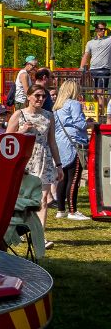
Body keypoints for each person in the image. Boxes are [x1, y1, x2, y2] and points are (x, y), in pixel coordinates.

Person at [6, 83, 62, 249]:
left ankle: (40, 237)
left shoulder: (48, 116)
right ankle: (17, 231)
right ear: (29, 97)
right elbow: (6, 138)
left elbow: (52, 142)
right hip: (24, 159)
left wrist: (59, 165)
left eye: (43, 96)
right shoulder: (19, 114)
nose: (40, 99)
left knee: (43, 200)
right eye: (37, 95)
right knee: (22, 198)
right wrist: (21, 131)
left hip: (44, 159)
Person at [52, 80, 90, 221]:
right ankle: (73, 211)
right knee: (74, 178)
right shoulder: (74, 104)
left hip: (60, 143)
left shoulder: (57, 107)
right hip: (74, 143)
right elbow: (80, 123)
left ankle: (61, 209)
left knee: (63, 178)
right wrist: (90, 123)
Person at [81, 21, 111, 114]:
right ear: (96, 30)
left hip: (104, 70)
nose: (103, 31)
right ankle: (97, 112)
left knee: (100, 92)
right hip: (93, 70)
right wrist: (81, 68)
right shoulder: (90, 43)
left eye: (104, 29)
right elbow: (86, 55)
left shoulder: (109, 39)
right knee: (94, 94)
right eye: (101, 29)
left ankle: (102, 114)